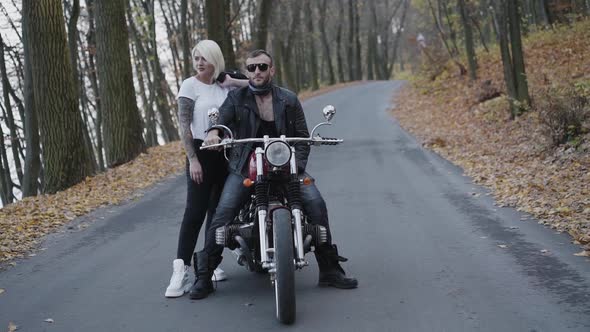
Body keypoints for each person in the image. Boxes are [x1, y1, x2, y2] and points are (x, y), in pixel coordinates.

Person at [191, 49, 358, 300]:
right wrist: (214, 132)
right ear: (247, 71)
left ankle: (329, 269)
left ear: (272, 70)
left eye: (262, 66)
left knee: (315, 203)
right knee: (223, 213)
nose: (256, 71)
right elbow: (221, 122)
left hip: (286, 163)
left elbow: (302, 137)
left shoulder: (288, 99)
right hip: (246, 165)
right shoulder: (237, 98)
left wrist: (297, 164)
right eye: (251, 68)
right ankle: (204, 276)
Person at [165, 40, 248, 299]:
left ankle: (209, 264)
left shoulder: (226, 84)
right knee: (195, 212)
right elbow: (184, 125)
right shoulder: (189, 86)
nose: (199, 63)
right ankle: (180, 271)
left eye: (204, 58)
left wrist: (233, 82)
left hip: (226, 154)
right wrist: (193, 160)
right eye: (196, 58)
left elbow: (256, 86)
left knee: (218, 213)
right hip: (201, 153)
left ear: (215, 59)